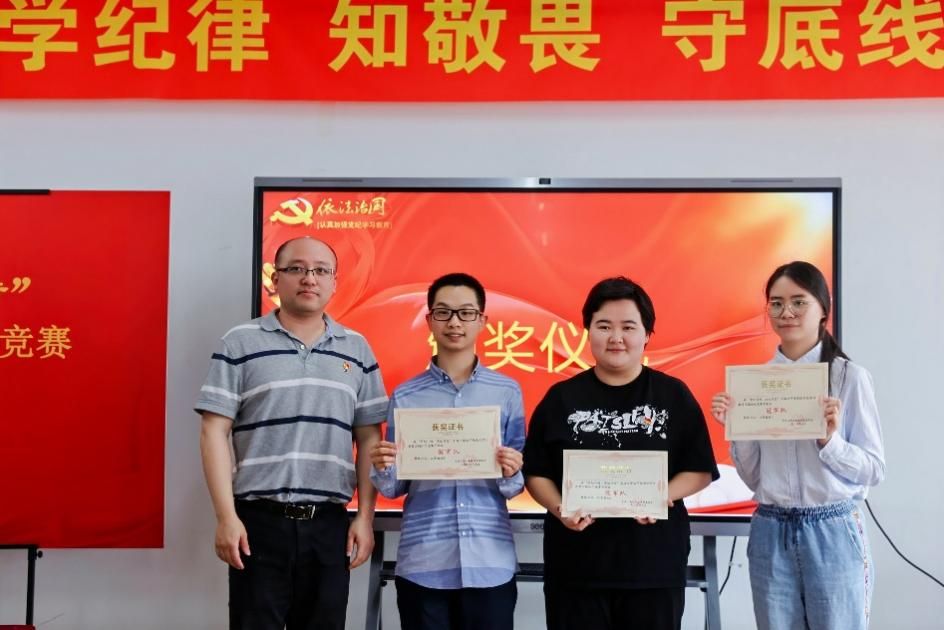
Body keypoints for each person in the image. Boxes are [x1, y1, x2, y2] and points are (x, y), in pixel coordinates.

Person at [195, 236, 387, 630]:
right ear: (275, 279)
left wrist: (365, 518)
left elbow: (369, 437)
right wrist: (226, 517)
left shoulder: (357, 349)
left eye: (320, 270)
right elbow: (213, 431)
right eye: (296, 269)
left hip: (329, 526)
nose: (309, 278)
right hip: (258, 523)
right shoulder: (239, 342)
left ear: (334, 282)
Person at [523, 276, 719, 630]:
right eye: (604, 326)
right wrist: (560, 507)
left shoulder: (673, 395)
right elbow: (537, 472)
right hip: (576, 569)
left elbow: (699, 469)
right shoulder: (561, 398)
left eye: (628, 327)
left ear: (647, 335)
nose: (616, 337)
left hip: (653, 567)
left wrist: (661, 495)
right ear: (588, 331)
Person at [711, 260, 885, 630]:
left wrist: (830, 442)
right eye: (776, 303)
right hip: (770, 530)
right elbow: (755, 479)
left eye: (798, 302)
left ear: (824, 308)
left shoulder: (849, 377)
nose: (786, 312)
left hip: (833, 531)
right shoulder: (755, 383)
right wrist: (737, 428)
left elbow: (873, 469)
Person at [369, 272, 525, 630]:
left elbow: (515, 486)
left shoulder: (507, 391)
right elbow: (394, 487)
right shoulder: (406, 395)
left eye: (466, 313)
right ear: (429, 320)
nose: (455, 322)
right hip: (424, 561)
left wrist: (512, 469)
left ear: (483, 320)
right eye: (443, 312)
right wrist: (383, 465)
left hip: (489, 561)